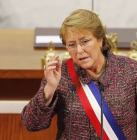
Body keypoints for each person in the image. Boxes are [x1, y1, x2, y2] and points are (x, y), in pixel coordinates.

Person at [21, 9, 137, 140]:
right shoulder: (61, 74)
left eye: (85, 41)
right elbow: (31, 123)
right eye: (72, 44)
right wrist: (50, 89)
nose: (79, 50)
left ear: (100, 40)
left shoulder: (130, 70)